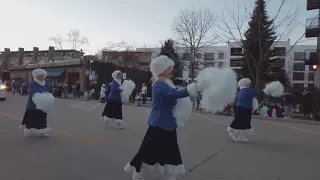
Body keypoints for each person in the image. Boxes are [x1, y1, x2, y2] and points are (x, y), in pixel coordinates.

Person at [124, 55, 198, 180]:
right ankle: (136, 171)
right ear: (162, 70)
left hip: (169, 123)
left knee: (171, 150)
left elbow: (176, 96)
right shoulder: (159, 84)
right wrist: (192, 89)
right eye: (169, 68)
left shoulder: (168, 83)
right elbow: (175, 94)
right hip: (158, 123)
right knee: (146, 150)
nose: (172, 70)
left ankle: (171, 174)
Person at [19, 69, 55, 137]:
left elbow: (49, 90)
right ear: (36, 76)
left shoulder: (46, 83)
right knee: (31, 118)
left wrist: (49, 96)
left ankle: (43, 131)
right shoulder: (33, 83)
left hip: (43, 105)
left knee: (42, 118)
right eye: (39, 76)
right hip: (33, 105)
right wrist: (40, 95)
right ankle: (28, 129)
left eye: (42, 76)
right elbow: (32, 93)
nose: (41, 77)